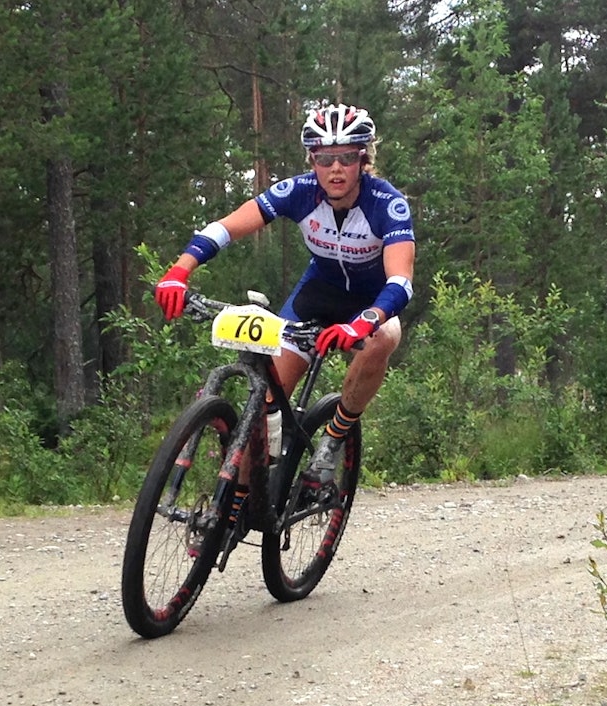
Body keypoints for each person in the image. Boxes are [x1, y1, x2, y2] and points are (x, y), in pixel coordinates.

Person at [155, 102, 416, 498]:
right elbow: (227, 227)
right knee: (261, 410)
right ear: (312, 160)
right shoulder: (299, 191)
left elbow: (400, 280)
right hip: (316, 295)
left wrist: (365, 321)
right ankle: (236, 504)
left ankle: (332, 441)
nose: (336, 169)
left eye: (346, 157)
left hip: (371, 302)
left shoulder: (387, 203)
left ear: (363, 158)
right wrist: (179, 271)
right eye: (325, 158)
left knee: (382, 339)